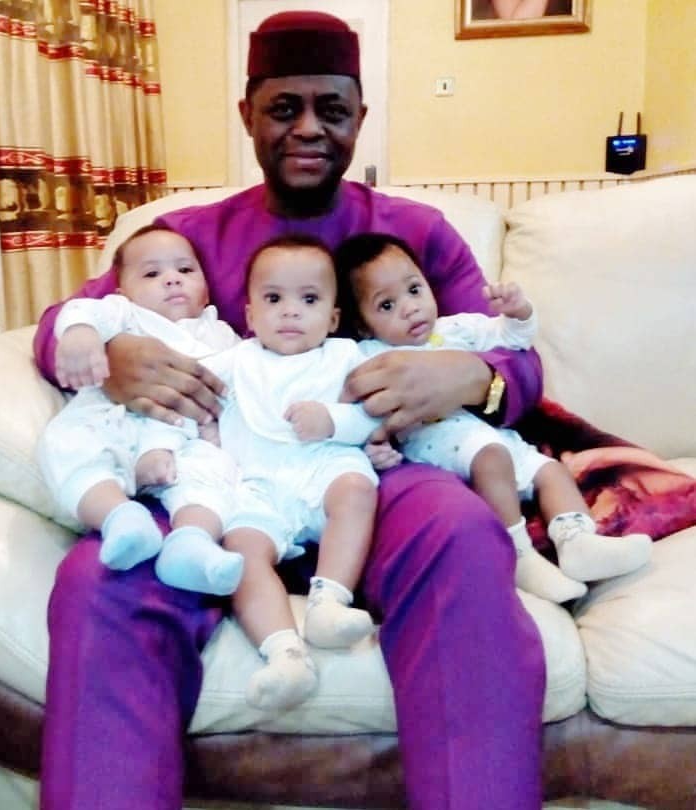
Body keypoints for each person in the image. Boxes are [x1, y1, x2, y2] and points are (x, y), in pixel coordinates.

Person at [34, 11, 547, 809]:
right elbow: (65, 323)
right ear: (247, 114)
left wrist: (468, 376)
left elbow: (513, 353)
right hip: (214, 473)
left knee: (461, 532)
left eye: (331, 108)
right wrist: (115, 354)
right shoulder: (187, 235)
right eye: (284, 107)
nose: (308, 128)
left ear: (360, 117)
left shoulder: (414, 232)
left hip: (375, 470)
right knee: (102, 577)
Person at [334, 231, 653, 604]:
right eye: (387, 305)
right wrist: (376, 448)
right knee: (491, 456)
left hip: (490, 434)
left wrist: (519, 312)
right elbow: (361, 414)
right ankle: (518, 555)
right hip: (436, 446)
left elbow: (513, 339)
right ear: (363, 325)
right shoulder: (370, 355)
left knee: (549, 470)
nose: (410, 308)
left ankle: (578, 542)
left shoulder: (456, 329)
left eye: (414, 290)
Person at [203, 235, 379, 711]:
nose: (290, 312)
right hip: (256, 484)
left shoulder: (345, 356)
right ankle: (284, 653)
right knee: (239, 550)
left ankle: (328, 604)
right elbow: (186, 379)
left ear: (334, 318)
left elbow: (375, 414)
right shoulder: (237, 360)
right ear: (250, 315)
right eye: (274, 298)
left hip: (325, 466)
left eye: (309, 299)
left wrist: (335, 421)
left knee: (357, 489)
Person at [37, 224, 244, 595]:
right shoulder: (124, 314)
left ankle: (191, 544)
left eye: (185, 270)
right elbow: (82, 310)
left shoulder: (221, 333)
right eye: (151, 274)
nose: (172, 279)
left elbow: (238, 383)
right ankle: (119, 517)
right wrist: (81, 333)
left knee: (216, 475)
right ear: (123, 291)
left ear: (205, 289)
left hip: (187, 437)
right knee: (68, 442)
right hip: (119, 419)